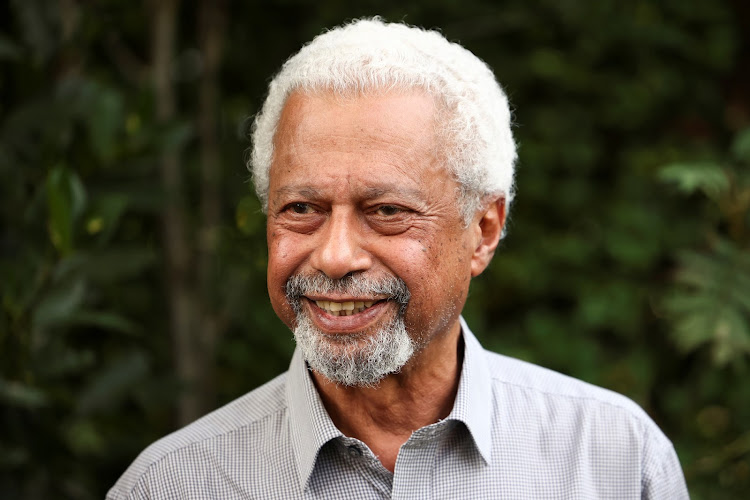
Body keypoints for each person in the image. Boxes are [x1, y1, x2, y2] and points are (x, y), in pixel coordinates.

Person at [108, 18, 689, 499]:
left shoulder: (613, 461)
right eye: (302, 208)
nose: (334, 257)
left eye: (386, 211)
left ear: (483, 231)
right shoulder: (173, 485)